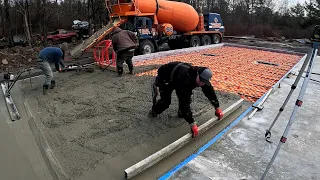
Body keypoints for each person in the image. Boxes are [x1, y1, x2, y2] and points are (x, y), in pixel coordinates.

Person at [149, 61, 224, 138]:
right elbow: (184, 102)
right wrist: (192, 124)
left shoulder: (203, 78)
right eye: (201, 81)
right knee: (166, 102)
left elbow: (210, 92)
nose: (202, 83)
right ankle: (154, 111)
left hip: (177, 76)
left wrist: (217, 107)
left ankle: (181, 113)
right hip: (166, 77)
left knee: (184, 107)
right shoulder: (185, 79)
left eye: (204, 82)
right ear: (197, 74)